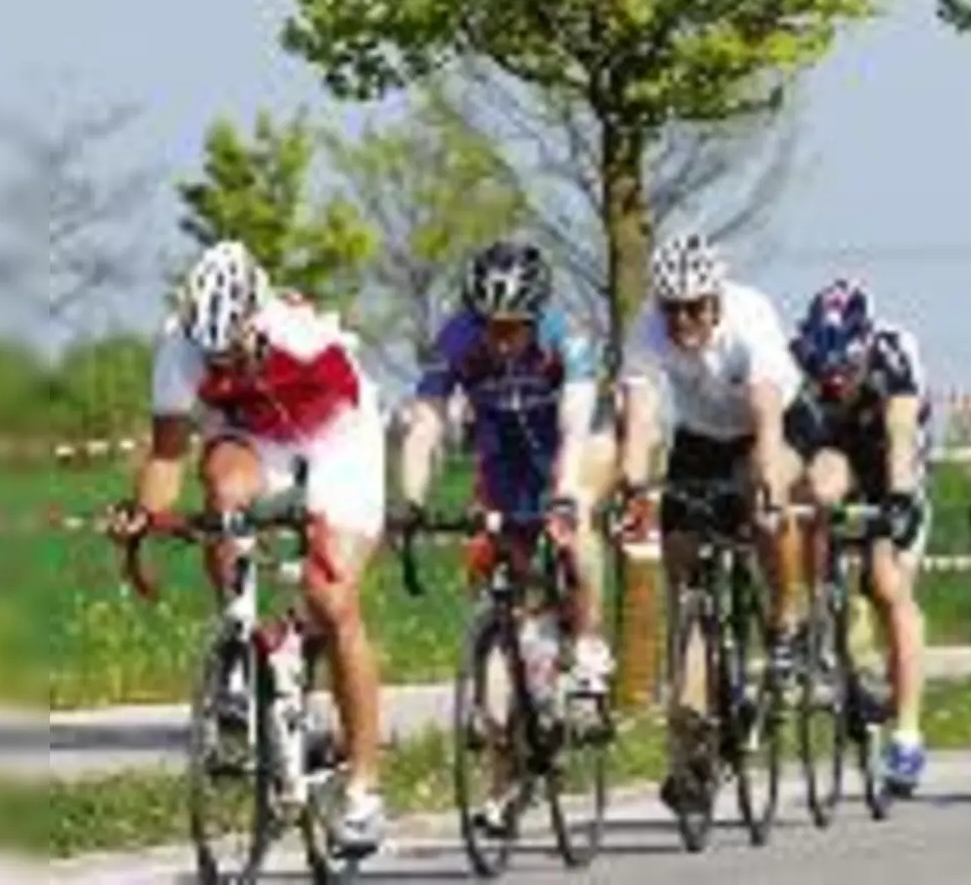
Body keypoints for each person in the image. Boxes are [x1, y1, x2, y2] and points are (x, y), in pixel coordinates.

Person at [110, 241, 388, 853]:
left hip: (338, 439)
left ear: (256, 320)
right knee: (223, 493)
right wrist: (146, 519)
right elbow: (166, 455)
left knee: (332, 598)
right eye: (212, 353)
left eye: (232, 348)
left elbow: (343, 437)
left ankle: (365, 787)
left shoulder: (303, 334)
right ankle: (242, 643)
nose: (222, 361)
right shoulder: (179, 347)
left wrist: (321, 521)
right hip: (257, 439)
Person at [615, 232, 807, 812]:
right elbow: (643, 418)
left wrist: (770, 487)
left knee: (765, 502)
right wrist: (632, 483)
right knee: (683, 563)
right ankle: (699, 729)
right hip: (699, 437)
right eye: (674, 308)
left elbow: (768, 416)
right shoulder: (647, 329)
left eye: (696, 307)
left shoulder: (750, 320)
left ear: (716, 300)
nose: (684, 320)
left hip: (763, 429)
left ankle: (785, 620)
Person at [397, 239, 617, 692]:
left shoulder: (564, 335)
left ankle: (590, 640)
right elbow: (426, 423)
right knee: (508, 556)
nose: (500, 340)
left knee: (573, 522)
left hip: (578, 439)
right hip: (507, 449)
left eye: (512, 329)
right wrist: (412, 500)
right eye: (490, 327)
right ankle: (529, 663)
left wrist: (565, 490)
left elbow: (575, 424)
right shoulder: (456, 338)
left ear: (534, 318)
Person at [785, 277, 931, 793]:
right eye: (823, 375)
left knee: (889, 584)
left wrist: (898, 506)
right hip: (838, 450)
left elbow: (900, 439)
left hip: (892, 457)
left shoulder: (894, 355)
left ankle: (908, 735)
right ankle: (815, 613)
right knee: (816, 491)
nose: (833, 385)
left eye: (844, 373)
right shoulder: (797, 360)